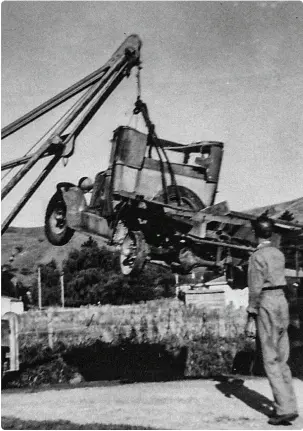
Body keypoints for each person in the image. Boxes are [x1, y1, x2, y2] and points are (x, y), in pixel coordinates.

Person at [245, 215, 298, 425]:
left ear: (256, 233)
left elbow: (255, 288)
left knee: (269, 357)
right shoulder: (278, 253)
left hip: (266, 302)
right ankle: (290, 405)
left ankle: (283, 408)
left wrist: (251, 313)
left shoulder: (256, 256)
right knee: (282, 357)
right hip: (281, 302)